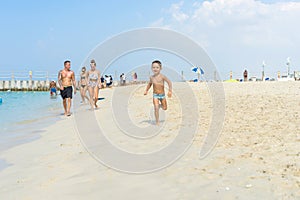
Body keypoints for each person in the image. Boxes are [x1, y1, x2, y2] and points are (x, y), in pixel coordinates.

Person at [144, 60, 172, 125]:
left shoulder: (162, 76)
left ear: (160, 68)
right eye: (153, 67)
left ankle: (160, 106)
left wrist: (170, 91)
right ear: (151, 68)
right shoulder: (151, 77)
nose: (155, 69)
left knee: (165, 108)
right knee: (156, 108)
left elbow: (169, 82)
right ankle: (157, 122)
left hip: (162, 95)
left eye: (157, 67)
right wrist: (146, 90)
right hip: (155, 95)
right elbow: (149, 84)